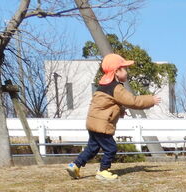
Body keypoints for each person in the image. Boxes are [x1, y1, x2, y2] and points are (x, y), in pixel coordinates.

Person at [66, 53, 161, 182]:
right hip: (102, 125)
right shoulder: (116, 87)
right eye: (125, 69)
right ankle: (103, 170)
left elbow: (107, 103)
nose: (127, 72)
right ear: (116, 71)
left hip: (92, 122)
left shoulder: (103, 85)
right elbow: (132, 101)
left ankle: (75, 165)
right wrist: (151, 100)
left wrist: (120, 110)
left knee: (92, 148)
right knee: (111, 148)